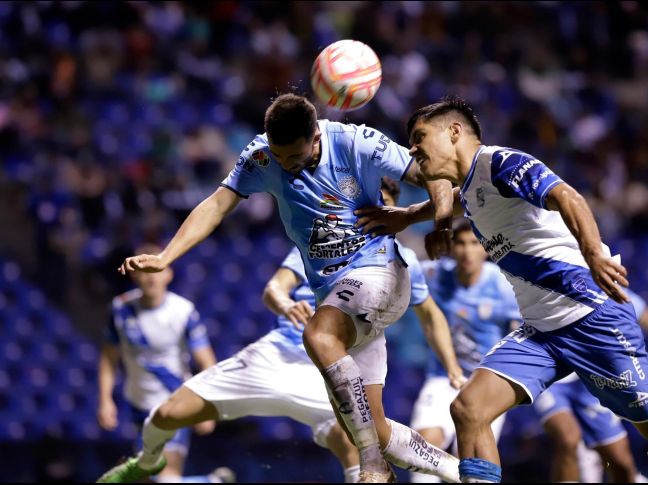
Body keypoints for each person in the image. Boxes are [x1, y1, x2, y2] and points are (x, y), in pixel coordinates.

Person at [355, 96, 648, 483]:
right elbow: (460, 202)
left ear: (454, 132)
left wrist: (593, 252)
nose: (413, 148)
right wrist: (406, 215)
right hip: (541, 331)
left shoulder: (501, 162)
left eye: (420, 136)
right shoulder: (474, 188)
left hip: (592, 316)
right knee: (469, 409)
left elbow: (566, 196)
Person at [102, 93, 459, 483]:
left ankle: (372, 463)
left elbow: (436, 174)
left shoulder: (357, 142)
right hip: (340, 299)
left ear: (315, 138)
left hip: (381, 271)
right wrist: (167, 256)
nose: (284, 166)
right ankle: (465, 473)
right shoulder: (262, 156)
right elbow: (217, 205)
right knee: (377, 428)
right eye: (278, 156)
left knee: (319, 334)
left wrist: (436, 221)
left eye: (293, 157)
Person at [533, 288, 648, 483]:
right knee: (568, 439)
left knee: (620, 462)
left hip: (591, 382)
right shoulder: (540, 283)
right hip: (553, 378)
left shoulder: (611, 293)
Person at [97, 244, 233, 483]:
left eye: (156, 270)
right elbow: (109, 358)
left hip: (174, 405)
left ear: (168, 273)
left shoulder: (183, 311)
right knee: (148, 478)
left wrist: (206, 408)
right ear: (134, 274)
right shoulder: (120, 310)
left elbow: (206, 361)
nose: (151, 278)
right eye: (144, 271)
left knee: (165, 477)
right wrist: (105, 400)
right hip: (138, 406)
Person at [410, 219, 522, 483]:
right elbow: (400, 265)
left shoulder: (505, 287)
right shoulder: (436, 275)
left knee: (470, 458)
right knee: (424, 446)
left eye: (474, 243)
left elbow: (523, 333)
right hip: (443, 376)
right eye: (460, 243)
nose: (467, 251)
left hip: (486, 382)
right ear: (450, 246)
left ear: (486, 248)